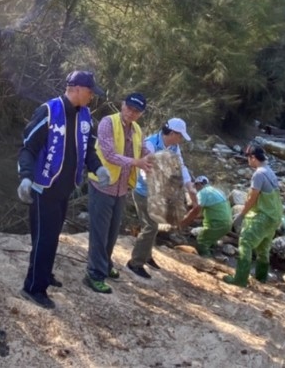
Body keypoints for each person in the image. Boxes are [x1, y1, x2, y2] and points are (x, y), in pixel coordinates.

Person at [17, 70, 109, 309]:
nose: (92, 97)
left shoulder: (86, 116)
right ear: (77, 89)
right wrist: (25, 177)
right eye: (90, 92)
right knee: (44, 240)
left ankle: (44, 274)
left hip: (65, 188)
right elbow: (28, 147)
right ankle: (33, 287)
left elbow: (88, 149)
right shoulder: (49, 111)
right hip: (43, 187)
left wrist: (98, 168)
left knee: (52, 236)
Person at [84, 92, 152, 294]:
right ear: (122, 104)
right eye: (129, 108)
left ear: (141, 113)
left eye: (136, 111)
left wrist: (153, 159)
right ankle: (94, 273)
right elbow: (109, 154)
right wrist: (136, 163)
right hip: (102, 185)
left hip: (121, 188)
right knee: (99, 232)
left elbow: (141, 151)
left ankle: (104, 264)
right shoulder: (108, 122)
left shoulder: (137, 129)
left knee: (112, 232)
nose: (131, 113)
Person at [127, 117, 196, 278]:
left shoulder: (174, 147)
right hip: (143, 191)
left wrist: (188, 184)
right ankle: (135, 263)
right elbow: (147, 171)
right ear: (172, 133)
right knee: (150, 226)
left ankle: (147, 256)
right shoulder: (150, 143)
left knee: (154, 224)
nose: (181, 140)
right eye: (180, 136)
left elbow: (181, 165)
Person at [223, 145, 283, 287]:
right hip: (274, 216)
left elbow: (252, 198)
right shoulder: (269, 171)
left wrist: (241, 215)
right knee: (263, 247)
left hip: (262, 215)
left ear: (253, 157)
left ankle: (240, 279)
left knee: (245, 242)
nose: (247, 161)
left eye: (248, 158)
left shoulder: (258, 174)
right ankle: (261, 278)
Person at [179, 175, 233, 257]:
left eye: (196, 186)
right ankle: (215, 253)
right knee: (210, 239)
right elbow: (204, 213)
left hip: (217, 224)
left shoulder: (203, 192)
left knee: (202, 242)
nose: (196, 189)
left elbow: (196, 210)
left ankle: (207, 260)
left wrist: (184, 222)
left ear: (199, 184)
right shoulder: (216, 191)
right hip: (227, 224)